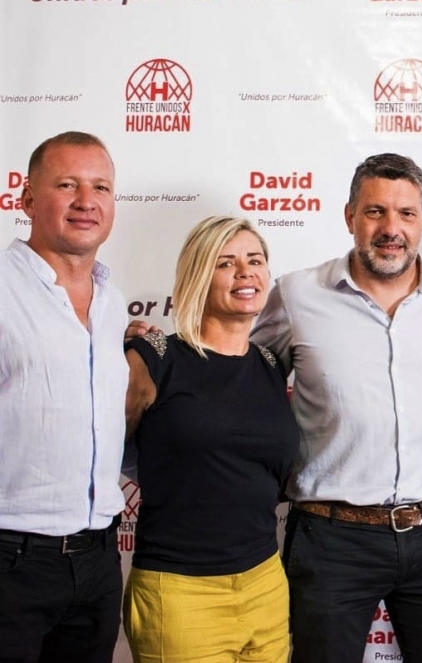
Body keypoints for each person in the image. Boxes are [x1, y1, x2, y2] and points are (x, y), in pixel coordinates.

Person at [249, 153, 422, 663]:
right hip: (331, 539)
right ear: (349, 217)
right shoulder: (297, 295)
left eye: (406, 214)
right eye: (375, 212)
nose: (391, 228)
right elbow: (236, 374)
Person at [122, 216, 300, 662]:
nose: (245, 272)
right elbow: (101, 451)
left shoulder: (270, 364)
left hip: (266, 583)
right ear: (200, 274)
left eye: (254, 260)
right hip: (180, 594)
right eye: (226, 262)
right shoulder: (155, 358)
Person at [0, 131, 127, 662]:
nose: (86, 201)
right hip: (11, 560)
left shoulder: (112, 299)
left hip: (98, 561)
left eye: (100, 186)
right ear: (27, 199)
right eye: (67, 184)